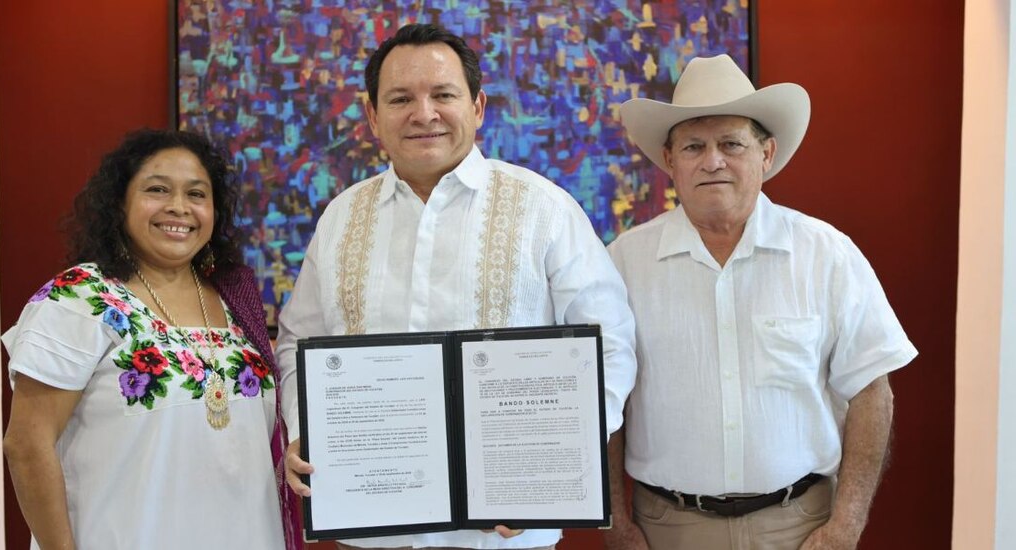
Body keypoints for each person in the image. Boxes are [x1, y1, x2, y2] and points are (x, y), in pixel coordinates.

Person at [275, 23, 637, 550]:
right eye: (401, 98)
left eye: (443, 94)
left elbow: (609, 347)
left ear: (478, 107)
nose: (424, 113)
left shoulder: (545, 209)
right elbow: (297, 343)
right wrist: (306, 427)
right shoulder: (341, 218)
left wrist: (552, 468)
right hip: (374, 530)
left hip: (505, 534)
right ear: (374, 116)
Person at [604, 54, 919, 550]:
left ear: (766, 154)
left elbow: (872, 391)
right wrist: (616, 525)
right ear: (670, 160)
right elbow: (603, 399)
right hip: (666, 528)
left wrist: (846, 526)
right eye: (693, 146)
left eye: (732, 143)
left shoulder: (826, 253)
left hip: (800, 525)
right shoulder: (622, 263)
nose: (713, 161)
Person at [1, 129, 302, 549]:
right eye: (157, 190)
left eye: (197, 194)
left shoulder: (237, 301)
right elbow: (27, 445)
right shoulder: (78, 298)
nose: (178, 207)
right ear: (119, 203)